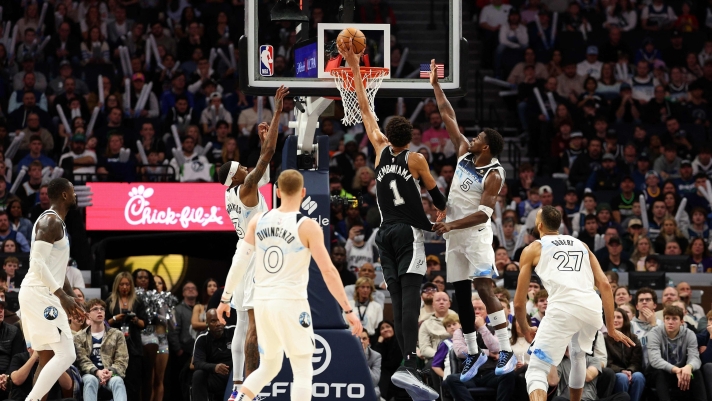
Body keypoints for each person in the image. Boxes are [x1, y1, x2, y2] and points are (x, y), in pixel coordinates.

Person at [340, 42, 444, 400]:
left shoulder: (380, 149)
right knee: (412, 299)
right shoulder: (416, 160)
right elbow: (435, 195)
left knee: (397, 300)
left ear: (388, 136)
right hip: (408, 231)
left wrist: (353, 63)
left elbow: (365, 107)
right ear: (411, 137)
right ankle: (411, 362)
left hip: (383, 234)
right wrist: (441, 214)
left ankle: (406, 363)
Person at [218, 170, 362, 401]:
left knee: (268, 367)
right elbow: (328, 271)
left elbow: (239, 262)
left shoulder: (258, 220)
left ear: (277, 191)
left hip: (263, 303)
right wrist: (348, 310)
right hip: (291, 302)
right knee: (303, 371)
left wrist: (225, 299)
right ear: (303, 193)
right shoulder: (307, 225)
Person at [429, 58, 514, 379]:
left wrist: (450, 223)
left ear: (487, 146)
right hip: (454, 237)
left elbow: (484, 213)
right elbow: (447, 115)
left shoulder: (494, 173)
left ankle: (504, 349)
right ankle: (473, 354)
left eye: (478, 136)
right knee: (460, 294)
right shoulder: (464, 151)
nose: (472, 137)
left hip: (475, 234)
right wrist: (436, 85)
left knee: (484, 287)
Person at [514, 206, 634, 401]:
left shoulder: (533, 248)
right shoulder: (581, 245)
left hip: (563, 308)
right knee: (579, 357)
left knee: (536, 368)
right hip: (591, 307)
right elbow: (604, 284)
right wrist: (610, 327)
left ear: (539, 225)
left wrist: (525, 326)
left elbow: (519, 303)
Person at [216, 85, 287, 394]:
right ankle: (248, 388)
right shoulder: (244, 188)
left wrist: (261, 140)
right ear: (236, 176)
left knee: (243, 325)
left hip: (243, 255)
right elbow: (267, 157)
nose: (246, 168)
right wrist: (278, 115)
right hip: (256, 258)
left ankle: (237, 386)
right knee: (252, 327)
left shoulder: (233, 191)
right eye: (242, 168)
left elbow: (263, 169)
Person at [18, 177, 85, 401]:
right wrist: (61, 296)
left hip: (43, 292)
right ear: (64, 195)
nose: (75, 194)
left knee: (47, 358)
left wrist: (70, 295)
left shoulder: (59, 224)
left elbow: (57, 269)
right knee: (67, 354)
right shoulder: (50, 222)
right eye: (73, 191)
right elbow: (37, 264)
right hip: (39, 293)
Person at [646, 305, 705, 401]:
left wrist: (689, 367)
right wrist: (676, 370)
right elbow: (654, 359)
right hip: (660, 373)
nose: (670, 322)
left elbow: (695, 358)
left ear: (682, 322)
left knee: (696, 372)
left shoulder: (689, 334)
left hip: (681, 372)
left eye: (674, 319)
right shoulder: (655, 333)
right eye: (667, 318)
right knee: (660, 373)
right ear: (663, 320)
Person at [74, 298, 129, 401]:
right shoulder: (79, 337)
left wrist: (110, 372)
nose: (99, 311)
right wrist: (97, 372)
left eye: (102, 309)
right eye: (95, 309)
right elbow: (82, 361)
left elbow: (122, 360)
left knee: (118, 381)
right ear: (88, 315)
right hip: (90, 374)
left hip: (111, 373)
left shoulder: (117, 334)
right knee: (90, 380)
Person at [105, 271, 147, 401]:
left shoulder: (138, 301)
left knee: (134, 381)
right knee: (116, 379)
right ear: (117, 285)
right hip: (114, 347)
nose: (124, 287)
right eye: (122, 284)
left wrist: (134, 319)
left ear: (131, 286)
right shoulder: (110, 301)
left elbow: (144, 324)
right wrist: (115, 318)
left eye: (127, 284)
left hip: (134, 346)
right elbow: (104, 323)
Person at [192, 309, 234, 401]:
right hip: (215, 376)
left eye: (219, 319)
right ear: (207, 324)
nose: (218, 324)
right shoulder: (202, 338)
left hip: (234, 374)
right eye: (213, 321)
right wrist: (214, 367)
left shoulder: (233, 331)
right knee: (198, 374)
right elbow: (197, 363)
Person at [604, 308, 644, 401]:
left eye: (619, 317)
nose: (615, 320)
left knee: (639, 377)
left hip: (631, 371)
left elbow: (636, 361)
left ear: (625, 320)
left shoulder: (634, 338)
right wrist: (622, 371)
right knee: (622, 378)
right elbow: (607, 362)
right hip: (615, 372)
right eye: (612, 317)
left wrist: (630, 370)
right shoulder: (605, 339)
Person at [359, 329, 382, 400]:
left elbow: (374, 381)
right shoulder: (346, 355)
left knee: (375, 392)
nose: (361, 341)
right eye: (358, 338)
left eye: (364, 339)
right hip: (352, 386)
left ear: (368, 341)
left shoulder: (376, 356)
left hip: (369, 388)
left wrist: (361, 357)